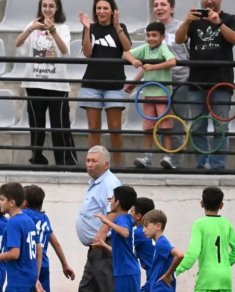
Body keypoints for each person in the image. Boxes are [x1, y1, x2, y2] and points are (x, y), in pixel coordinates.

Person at [60, 145, 121, 292]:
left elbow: (114, 211)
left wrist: (101, 236)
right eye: (88, 160)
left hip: (103, 245)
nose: (90, 164)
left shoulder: (109, 183)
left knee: (110, 287)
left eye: (94, 161)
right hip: (95, 246)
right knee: (89, 286)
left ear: (106, 164)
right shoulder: (96, 182)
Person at [175, 0, 235, 170]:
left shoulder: (230, 18)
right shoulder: (194, 20)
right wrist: (186, 21)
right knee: (197, 126)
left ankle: (218, 166)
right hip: (196, 82)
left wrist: (218, 23)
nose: (209, 1)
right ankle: (201, 164)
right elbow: (178, 39)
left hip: (221, 82)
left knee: (221, 127)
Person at [15, 0, 78, 166]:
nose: (47, 9)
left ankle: (64, 161)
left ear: (57, 8)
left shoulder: (63, 28)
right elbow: (18, 43)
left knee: (59, 125)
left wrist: (53, 31)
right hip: (34, 83)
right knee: (36, 125)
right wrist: (31, 29)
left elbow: (65, 52)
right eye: (44, 6)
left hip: (57, 84)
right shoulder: (32, 24)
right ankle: (37, 159)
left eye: (51, 6)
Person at [22, 185, 76, 292]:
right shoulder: (44, 218)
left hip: (28, 266)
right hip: (44, 264)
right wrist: (65, 264)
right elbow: (55, 242)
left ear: (25, 201)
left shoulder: (22, 217)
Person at [79, 0, 132, 168]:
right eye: (99, 8)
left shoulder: (120, 26)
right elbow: (88, 53)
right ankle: (94, 166)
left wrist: (117, 27)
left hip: (115, 84)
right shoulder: (91, 28)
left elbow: (127, 48)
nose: (101, 11)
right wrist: (87, 29)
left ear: (112, 11)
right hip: (91, 83)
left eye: (105, 8)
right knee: (94, 129)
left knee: (115, 129)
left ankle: (117, 167)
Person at [93, 185, 141, 292]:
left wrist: (106, 220)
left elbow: (125, 233)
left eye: (112, 198)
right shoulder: (126, 218)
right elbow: (122, 251)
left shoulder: (121, 220)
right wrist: (104, 245)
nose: (110, 201)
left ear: (118, 202)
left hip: (126, 274)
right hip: (127, 271)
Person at [123, 22, 177, 170]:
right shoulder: (145, 48)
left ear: (162, 37)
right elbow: (126, 53)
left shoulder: (163, 48)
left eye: (154, 35)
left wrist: (153, 66)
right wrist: (134, 61)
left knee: (166, 128)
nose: (151, 38)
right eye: (148, 35)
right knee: (148, 128)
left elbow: (172, 61)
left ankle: (168, 157)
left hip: (163, 95)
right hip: (148, 95)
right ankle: (147, 157)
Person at [152, 0, 191, 168]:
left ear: (172, 8)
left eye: (163, 4)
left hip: (180, 81)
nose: (159, 8)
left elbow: (189, 54)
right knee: (162, 123)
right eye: (156, 5)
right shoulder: (152, 28)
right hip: (160, 82)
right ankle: (166, 158)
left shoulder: (181, 27)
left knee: (177, 123)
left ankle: (176, 162)